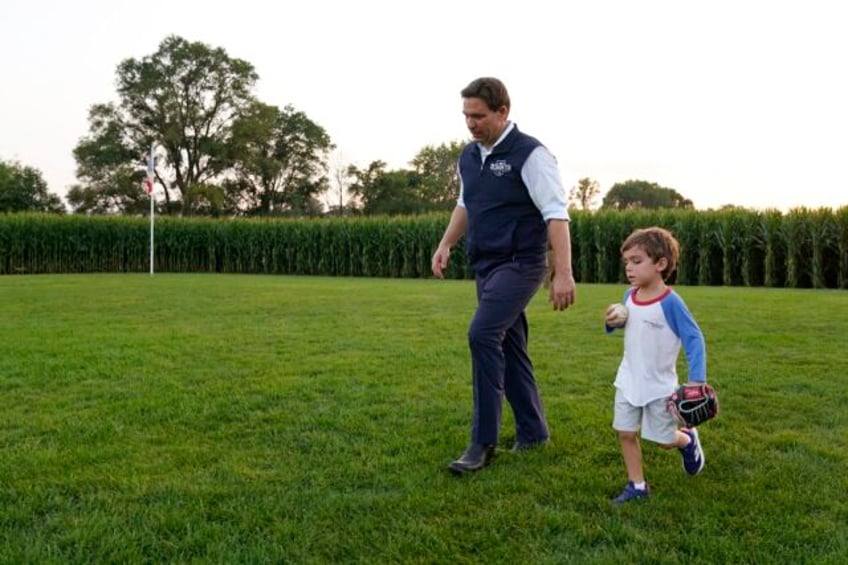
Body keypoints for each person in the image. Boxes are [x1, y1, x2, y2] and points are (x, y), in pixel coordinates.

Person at [431, 77, 576, 475]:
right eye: (466, 116)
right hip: (486, 265)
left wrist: (563, 272)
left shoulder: (530, 155)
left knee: (482, 335)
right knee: (510, 348)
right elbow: (466, 204)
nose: (471, 124)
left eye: (478, 116)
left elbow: (556, 214)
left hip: (522, 263)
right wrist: (446, 244)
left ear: (502, 112)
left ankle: (482, 442)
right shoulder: (468, 155)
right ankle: (533, 432)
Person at [604, 227, 707, 503]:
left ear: (660, 264)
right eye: (626, 262)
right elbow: (627, 324)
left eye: (637, 261)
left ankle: (686, 440)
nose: (629, 268)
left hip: (659, 386)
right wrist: (612, 323)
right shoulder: (629, 296)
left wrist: (697, 379)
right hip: (627, 381)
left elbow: (694, 337)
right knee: (625, 433)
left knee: (663, 441)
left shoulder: (671, 303)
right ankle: (637, 486)